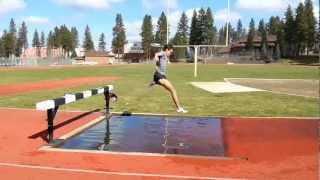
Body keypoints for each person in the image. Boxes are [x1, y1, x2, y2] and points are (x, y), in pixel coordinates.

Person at [150, 44, 188, 113]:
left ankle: (155, 82)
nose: (171, 53)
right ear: (167, 50)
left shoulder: (166, 56)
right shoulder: (163, 53)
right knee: (173, 90)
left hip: (161, 76)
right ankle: (179, 108)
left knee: (171, 90)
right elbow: (157, 54)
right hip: (159, 75)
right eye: (170, 52)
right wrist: (156, 57)